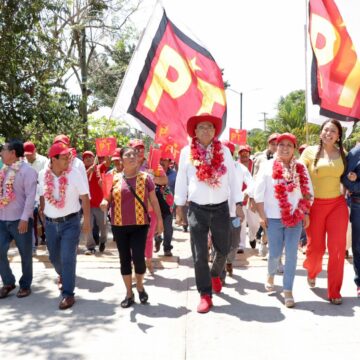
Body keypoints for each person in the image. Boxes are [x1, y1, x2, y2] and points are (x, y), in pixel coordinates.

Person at [175, 114, 244, 313]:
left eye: (210, 127)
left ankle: (215, 273)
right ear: (195, 132)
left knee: (224, 249)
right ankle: (205, 294)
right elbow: (181, 179)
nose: (206, 130)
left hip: (221, 208)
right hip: (197, 209)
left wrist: (237, 203)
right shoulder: (186, 152)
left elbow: (232, 179)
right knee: (199, 255)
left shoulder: (224, 151)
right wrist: (180, 206)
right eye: (202, 127)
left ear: (215, 132)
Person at [254, 133, 313, 308]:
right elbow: (258, 193)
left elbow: (308, 191)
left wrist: (306, 212)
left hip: (295, 217)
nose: (285, 148)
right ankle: (271, 275)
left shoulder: (300, 167)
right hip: (273, 217)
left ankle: (288, 290)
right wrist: (261, 215)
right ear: (276, 147)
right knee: (274, 254)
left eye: (289, 145)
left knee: (292, 255)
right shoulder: (267, 166)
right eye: (281, 144)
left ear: (294, 149)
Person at [100, 146, 163, 308]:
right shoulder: (113, 178)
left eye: (135, 154)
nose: (132, 156)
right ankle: (129, 293)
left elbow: (154, 201)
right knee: (124, 260)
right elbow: (107, 198)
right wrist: (105, 202)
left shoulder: (146, 178)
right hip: (119, 225)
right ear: (121, 160)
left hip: (140, 225)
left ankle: (140, 285)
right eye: (128, 154)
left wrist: (160, 221)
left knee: (139, 260)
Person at [300, 119, 348, 305]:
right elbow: (299, 176)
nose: (329, 133)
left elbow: (350, 176)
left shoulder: (343, 154)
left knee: (337, 249)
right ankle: (312, 271)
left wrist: (352, 180)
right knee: (316, 248)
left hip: (337, 205)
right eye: (326, 129)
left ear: (338, 136)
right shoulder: (309, 152)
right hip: (315, 207)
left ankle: (334, 291)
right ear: (321, 132)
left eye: (333, 131)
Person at [39, 142, 91, 310]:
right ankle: (64, 274)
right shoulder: (42, 174)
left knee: (68, 257)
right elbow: (41, 195)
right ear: (53, 159)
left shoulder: (74, 174)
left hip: (71, 222)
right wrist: (42, 211)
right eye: (64, 157)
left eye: (69, 156)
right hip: (50, 223)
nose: (68, 159)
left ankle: (68, 294)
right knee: (54, 257)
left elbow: (85, 197)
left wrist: (87, 221)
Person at [0, 140, 37, 299]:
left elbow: (30, 196)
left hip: (20, 220)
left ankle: (25, 285)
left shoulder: (28, 171)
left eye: (3, 150)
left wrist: (24, 218)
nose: (1, 153)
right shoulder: (3, 170)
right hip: (2, 219)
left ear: (13, 153)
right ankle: (8, 281)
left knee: (25, 254)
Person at [129, 139, 168, 274]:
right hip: (132, 208)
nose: (139, 151)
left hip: (150, 207)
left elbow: (164, 180)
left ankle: (149, 261)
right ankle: (135, 266)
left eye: (141, 148)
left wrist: (153, 178)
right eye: (136, 149)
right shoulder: (127, 165)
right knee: (133, 239)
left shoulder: (153, 164)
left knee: (148, 237)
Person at [251, 133, 279, 257]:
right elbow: (254, 178)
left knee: (273, 227)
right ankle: (264, 242)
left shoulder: (286, 158)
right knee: (266, 224)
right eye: (273, 144)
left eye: (278, 144)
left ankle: (270, 249)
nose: (275, 146)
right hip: (262, 198)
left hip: (277, 199)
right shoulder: (260, 158)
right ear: (268, 144)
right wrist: (252, 198)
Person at [341, 142, 360, 296]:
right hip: (358, 205)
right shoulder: (354, 153)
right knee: (358, 246)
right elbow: (345, 179)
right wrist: (356, 185)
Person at [23, 141, 48, 254]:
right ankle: (32, 247)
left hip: (43, 195)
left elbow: (47, 179)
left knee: (47, 222)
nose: (28, 156)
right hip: (29, 196)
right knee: (30, 222)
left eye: (30, 154)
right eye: (26, 154)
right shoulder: (22, 162)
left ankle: (50, 246)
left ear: (35, 151)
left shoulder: (44, 161)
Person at [82, 150, 108, 254]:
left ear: (94, 158)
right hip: (87, 205)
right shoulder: (81, 170)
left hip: (100, 204)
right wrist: (89, 171)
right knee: (87, 225)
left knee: (104, 225)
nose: (88, 158)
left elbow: (108, 162)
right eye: (86, 157)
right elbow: (80, 179)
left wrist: (107, 152)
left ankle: (103, 241)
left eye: (90, 156)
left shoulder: (99, 168)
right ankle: (90, 246)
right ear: (83, 161)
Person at [237, 144, 258, 252]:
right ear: (238, 154)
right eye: (241, 152)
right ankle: (241, 245)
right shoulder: (236, 166)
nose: (244, 154)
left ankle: (252, 237)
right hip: (240, 199)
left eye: (246, 152)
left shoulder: (255, 165)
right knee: (241, 222)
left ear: (249, 153)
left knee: (254, 224)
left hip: (253, 199)